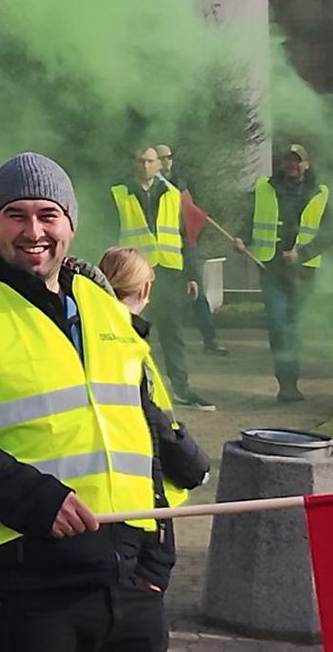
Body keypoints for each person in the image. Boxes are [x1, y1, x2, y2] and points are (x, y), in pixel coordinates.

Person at [0, 153, 177, 652]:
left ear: (70, 223)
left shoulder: (101, 303)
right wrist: (34, 498)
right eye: (16, 215)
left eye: (48, 215)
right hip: (23, 585)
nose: (34, 231)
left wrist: (159, 559)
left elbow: (145, 428)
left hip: (129, 585)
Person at [97, 247, 211, 594]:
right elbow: (152, 420)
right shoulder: (125, 344)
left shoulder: (85, 332)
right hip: (143, 503)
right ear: (145, 290)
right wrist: (194, 463)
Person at [109, 147, 211, 409]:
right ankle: (131, 387)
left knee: (172, 333)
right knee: (131, 331)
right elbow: (109, 234)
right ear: (134, 163)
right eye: (141, 160)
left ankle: (181, 389)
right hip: (133, 273)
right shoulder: (118, 194)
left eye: (150, 161)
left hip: (168, 272)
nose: (145, 165)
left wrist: (190, 274)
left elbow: (184, 237)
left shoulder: (174, 195)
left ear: (159, 165)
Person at [239, 143, 331, 402]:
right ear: (282, 164)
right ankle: (286, 384)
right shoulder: (263, 188)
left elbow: (329, 234)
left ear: (306, 164)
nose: (292, 165)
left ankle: (292, 381)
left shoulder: (320, 193)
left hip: (302, 272)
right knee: (278, 326)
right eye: (288, 160)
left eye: (297, 160)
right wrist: (242, 239)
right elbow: (249, 220)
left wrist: (301, 254)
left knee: (294, 328)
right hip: (270, 268)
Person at [155, 146, 226, 356]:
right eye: (162, 158)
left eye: (169, 157)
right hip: (160, 250)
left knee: (198, 294)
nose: (167, 161)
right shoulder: (154, 186)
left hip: (185, 246)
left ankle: (209, 340)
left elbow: (191, 211)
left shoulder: (180, 182)